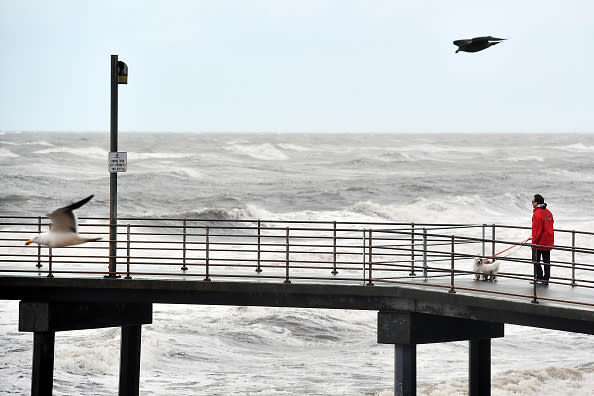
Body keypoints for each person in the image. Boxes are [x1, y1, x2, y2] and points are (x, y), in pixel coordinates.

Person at [531, 194, 554, 285]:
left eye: (532, 202)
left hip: (540, 241)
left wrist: (533, 242)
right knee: (546, 261)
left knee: (535, 260)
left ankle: (539, 277)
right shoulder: (549, 212)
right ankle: (546, 279)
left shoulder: (537, 213)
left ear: (536, 203)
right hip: (548, 241)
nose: (532, 203)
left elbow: (537, 230)